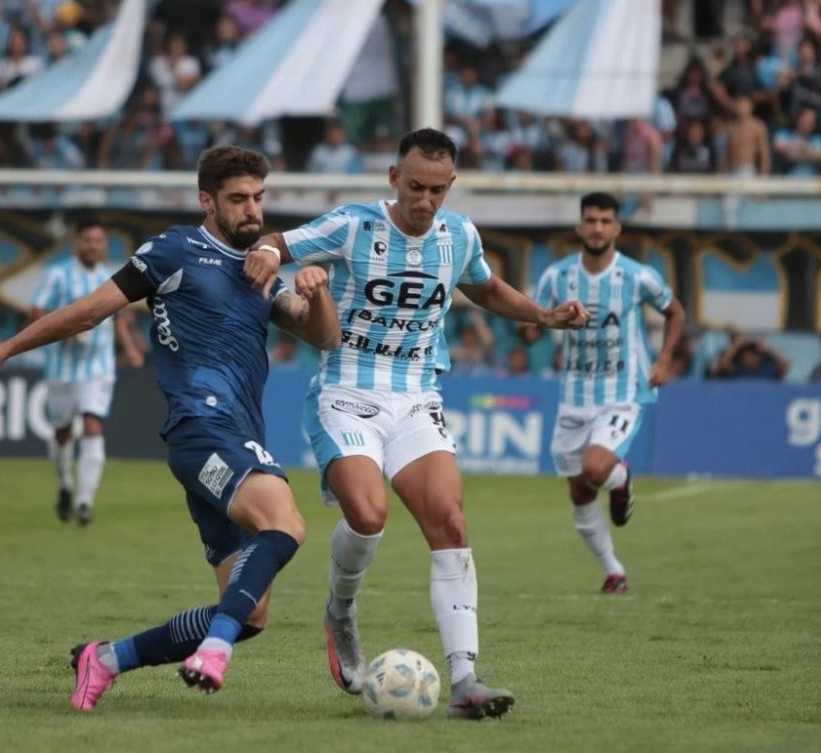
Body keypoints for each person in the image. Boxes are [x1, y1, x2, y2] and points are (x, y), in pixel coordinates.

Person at [0, 145, 340, 707]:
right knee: (285, 525)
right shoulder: (174, 250)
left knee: (250, 611)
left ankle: (105, 659)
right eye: (238, 199)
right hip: (201, 428)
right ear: (206, 201)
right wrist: (3, 351)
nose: (252, 209)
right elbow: (89, 310)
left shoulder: (261, 266)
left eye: (258, 197)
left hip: (237, 434)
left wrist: (316, 287)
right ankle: (214, 651)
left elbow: (322, 335)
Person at [242, 128, 588, 719]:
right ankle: (341, 610)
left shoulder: (460, 235)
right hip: (346, 392)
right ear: (394, 179)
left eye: (436, 190)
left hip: (417, 398)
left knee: (450, 520)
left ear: (450, 187)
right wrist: (270, 254)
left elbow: (485, 287)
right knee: (368, 514)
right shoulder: (353, 225)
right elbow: (279, 240)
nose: (423, 200)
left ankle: (465, 679)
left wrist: (543, 317)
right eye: (414, 186)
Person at [518, 193, 686, 595]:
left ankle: (620, 476)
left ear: (616, 229)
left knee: (596, 469)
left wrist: (663, 359)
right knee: (579, 489)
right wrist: (540, 325)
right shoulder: (556, 277)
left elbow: (675, 312)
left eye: (605, 221)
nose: (597, 228)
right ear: (579, 227)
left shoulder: (637, 276)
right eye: (590, 220)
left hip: (624, 389)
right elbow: (531, 327)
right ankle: (614, 571)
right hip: (574, 394)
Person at [30, 218, 145, 526]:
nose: (93, 246)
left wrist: (130, 348)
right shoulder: (58, 274)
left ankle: (85, 500)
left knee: (93, 425)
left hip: (99, 366)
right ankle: (65, 483)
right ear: (76, 242)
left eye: (98, 241)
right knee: (63, 432)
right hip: (62, 367)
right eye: (87, 240)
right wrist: (66, 330)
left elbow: (119, 317)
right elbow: (36, 311)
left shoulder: (110, 277)